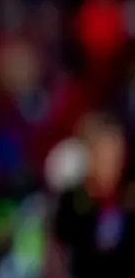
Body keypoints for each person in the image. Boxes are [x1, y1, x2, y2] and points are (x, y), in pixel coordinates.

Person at [51, 115, 135, 278]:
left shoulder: (129, 202)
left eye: (117, 156)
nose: (113, 164)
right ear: (89, 157)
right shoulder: (71, 203)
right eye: (104, 156)